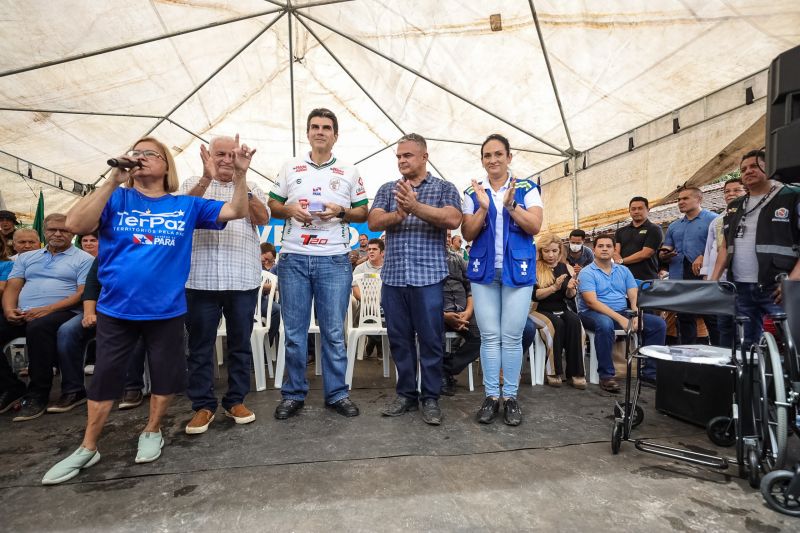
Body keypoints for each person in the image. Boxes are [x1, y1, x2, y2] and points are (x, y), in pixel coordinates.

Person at [42, 135, 250, 485]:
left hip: (166, 310)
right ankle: (88, 446)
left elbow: (236, 211)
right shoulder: (116, 197)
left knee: (165, 374)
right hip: (116, 308)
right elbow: (76, 224)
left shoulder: (184, 205)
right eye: (135, 153)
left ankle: (152, 429)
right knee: (106, 376)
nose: (139, 158)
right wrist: (111, 181)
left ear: (166, 165)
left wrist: (240, 175)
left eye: (148, 153)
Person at [267, 108, 368, 420]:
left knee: (334, 333)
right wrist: (289, 209)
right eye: (315, 127)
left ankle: (337, 394)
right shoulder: (290, 167)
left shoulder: (350, 171)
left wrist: (341, 211)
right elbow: (271, 205)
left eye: (326, 127)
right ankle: (293, 395)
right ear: (307, 133)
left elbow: (364, 213)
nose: (320, 131)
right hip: (293, 258)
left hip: (335, 261)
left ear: (335, 135)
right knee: (294, 333)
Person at [369, 133, 461, 425]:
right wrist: (399, 213)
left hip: (428, 277)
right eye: (398, 156)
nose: (401, 161)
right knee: (400, 340)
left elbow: (453, 219)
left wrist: (416, 207)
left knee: (432, 340)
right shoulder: (387, 189)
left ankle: (430, 397)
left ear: (424, 156)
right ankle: (406, 394)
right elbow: (373, 221)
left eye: (407, 155)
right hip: (394, 277)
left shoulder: (444, 187)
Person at [180, 135, 270, 435]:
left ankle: (235, 401)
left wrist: (242, 179)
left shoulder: (252, 186)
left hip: (241, 280)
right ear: (209, 154)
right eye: (221, 154)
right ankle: (202, 406)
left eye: (233, 155)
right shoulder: (193, 182)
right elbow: (180, 215)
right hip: (199, 280)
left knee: (239, 346)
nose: (227, 160)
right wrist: (206, 178)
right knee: (200, 347)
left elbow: (262, 218)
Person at [461, 133, 542, 426]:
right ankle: (491, 396)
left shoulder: (527, 188)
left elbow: (534, 226)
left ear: (509, 157)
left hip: (517, 270)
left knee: (511, 336)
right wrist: (483, 207)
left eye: (498, 154)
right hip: (484, 271)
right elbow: (467, 233)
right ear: (482, 160)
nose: (492, 160)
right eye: (487, 155)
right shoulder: (472, 192)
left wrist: (510, 206)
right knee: (490, 336)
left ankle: (510, 398)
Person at [0, 213, 93, 419]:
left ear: (73, 233)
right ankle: (10, 387)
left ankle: (38, 393)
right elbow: (13, 287)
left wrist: (48, 309)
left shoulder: (84, 259)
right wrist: (8, 310)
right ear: (44, 231)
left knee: (39, 327)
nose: (58, 234)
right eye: (52, 229)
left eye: (64, 230)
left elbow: (82, 293)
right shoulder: (26, 258)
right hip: (23, 313)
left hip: (64, 312)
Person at [711, 150, 800, 347]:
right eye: (743, 169)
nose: (748, 171)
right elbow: (725, 246)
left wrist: (792, 283)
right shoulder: (735, 205)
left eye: (754, 166)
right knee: (747, 345)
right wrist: (712, 281)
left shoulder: (792, 195)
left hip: (779, 286)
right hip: (740, 287)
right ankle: (753, 379)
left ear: (769, 166)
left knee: (793, 344)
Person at [578, 235, 666, 391]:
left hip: (621, 312)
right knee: (605, 324)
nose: (605, 249)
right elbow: (592, 302)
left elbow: (633, 294)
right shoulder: (587, 272)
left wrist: (635, 314)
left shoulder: (624, 270)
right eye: (600, 246)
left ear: (614, 250)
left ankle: (649, 373)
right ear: (594, 250)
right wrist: (621, 319)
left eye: (608, 246)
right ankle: (606, 376)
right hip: (592, 313)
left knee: (658, 324)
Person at [660, 186, 718, 344]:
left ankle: (722, 357)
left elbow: (721, 247)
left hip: (705, 277)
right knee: (684, 318)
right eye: (679, 199)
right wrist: (664, 254)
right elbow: (666, 248)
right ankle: (687, 357)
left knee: (711, 317)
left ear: (699, 199)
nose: (680, 202)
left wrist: (704, 257)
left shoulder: (714, 220)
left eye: (685, 198)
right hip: (679, 275)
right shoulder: (673, 226)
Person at [533, 232, 586, 389]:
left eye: (554, 251)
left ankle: (576, 373)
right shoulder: (534, 267)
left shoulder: (566, 267)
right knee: (555, 324)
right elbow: (535, 296)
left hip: (561, 308)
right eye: (547, 251)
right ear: (541, 251)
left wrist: (570, 289)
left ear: (560, 251)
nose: (551, 255)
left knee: (575, 322)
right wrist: (554, 287)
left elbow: (569, 297)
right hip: (538, 309)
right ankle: (553, 372)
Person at [700, 179, 746, 348]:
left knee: (743, 325)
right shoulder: (717, 220)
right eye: (727, 191)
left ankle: (745, 365)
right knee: (723, 325)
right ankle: (725, 363)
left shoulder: (753, 216)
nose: (731, 194)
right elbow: (711, 249)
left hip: (743, 279)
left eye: (736, 190)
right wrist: (708, 277)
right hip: (720, 280)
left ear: (746, 191)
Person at [613, 197, 663, 281]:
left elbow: (646, 253)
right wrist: (620, 263)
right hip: (624, 278)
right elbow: (615, 251)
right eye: (633, 209)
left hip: (646, 279)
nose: (636, 211)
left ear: (648, 209)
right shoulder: (620, 231)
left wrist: (621, 261)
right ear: (629, 211)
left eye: (640, 208)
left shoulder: (654, 229)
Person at [259, 242, 280, 347]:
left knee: (278, 310)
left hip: (266, 301)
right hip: (251, 300)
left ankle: (266, 346)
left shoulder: (277, 268)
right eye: (265, 259)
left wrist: (273, 287)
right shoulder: (253, 265)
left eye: (270, 261)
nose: (266, 263)